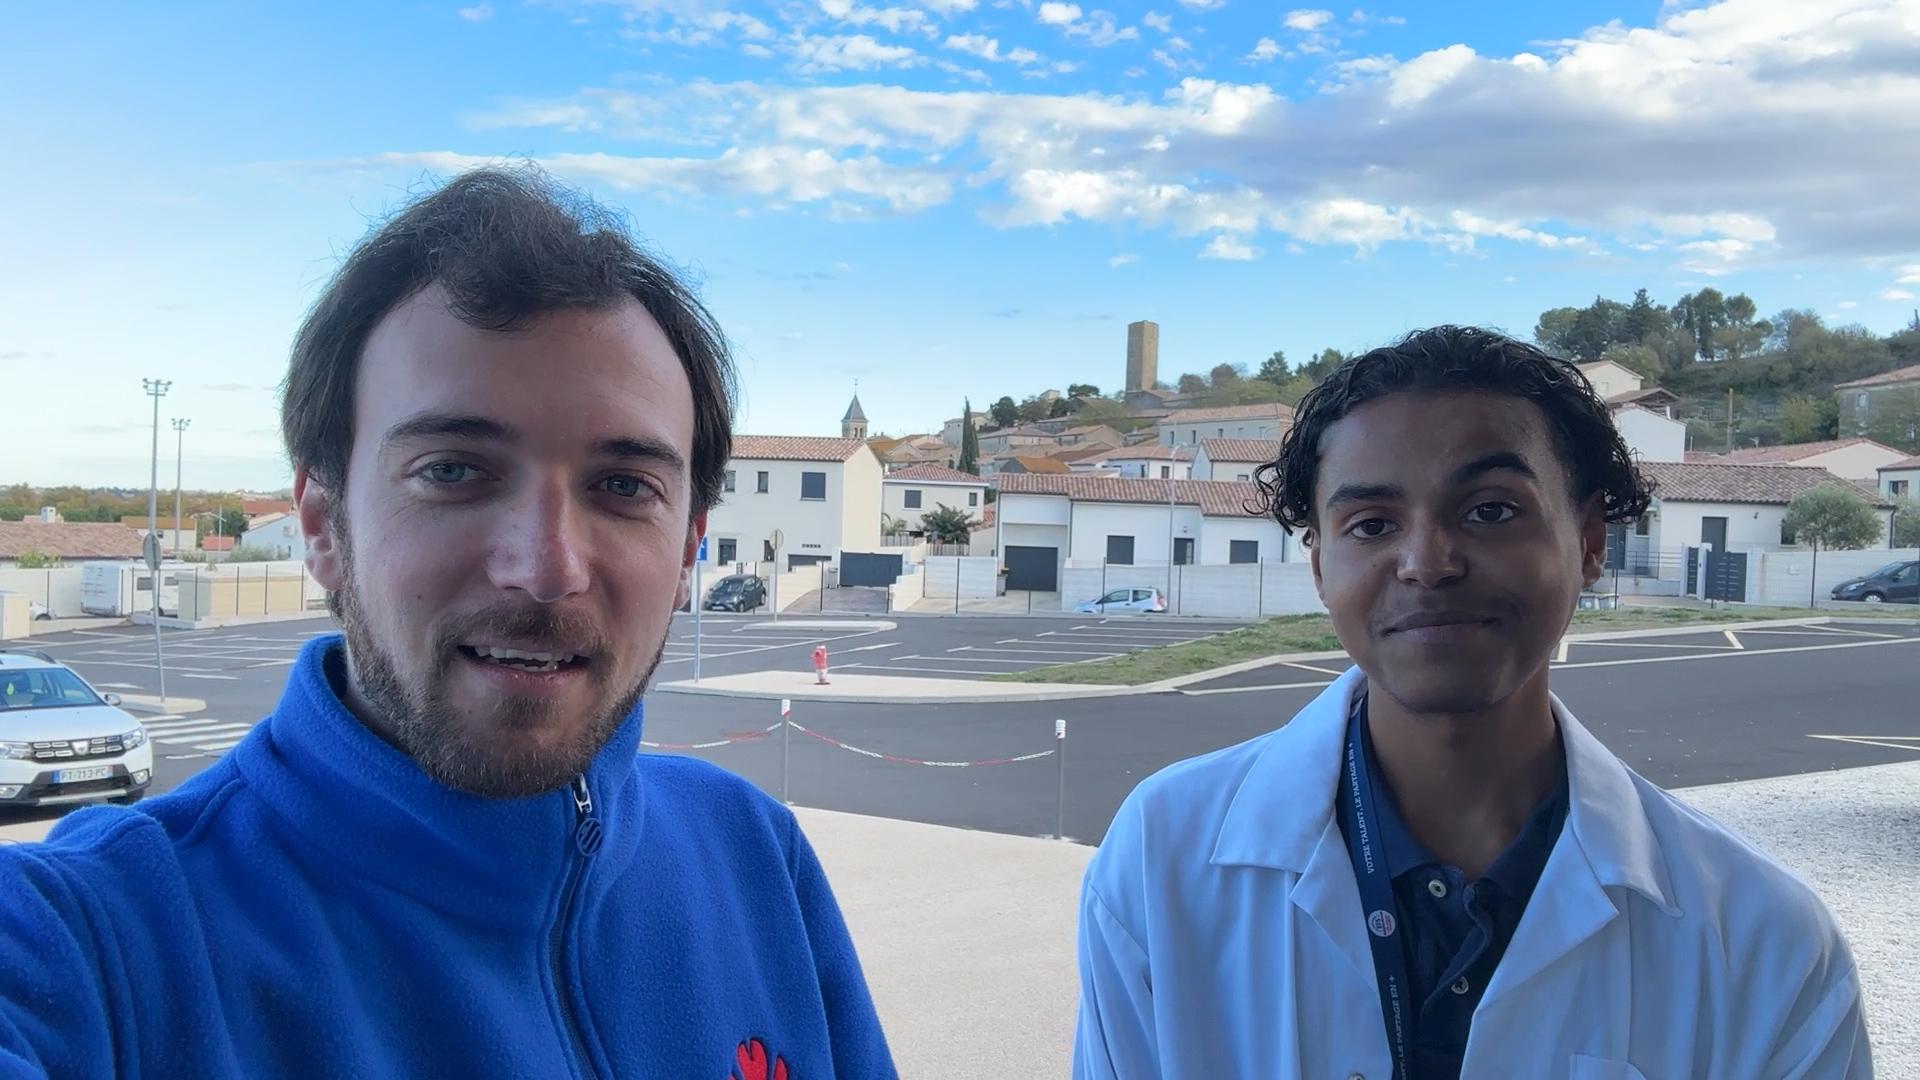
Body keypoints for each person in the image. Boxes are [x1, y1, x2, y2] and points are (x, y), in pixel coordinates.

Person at [0, 167, 896, 1079]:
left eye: (625, 487)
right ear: (323, 525)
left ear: (689, 547)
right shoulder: (99, 944)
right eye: (453, 471)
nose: (547, 568)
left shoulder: (754, 857)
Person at [1073, 326, 1871, 1079]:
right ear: (1319, 567)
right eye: (1372, 522)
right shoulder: (1161, 860)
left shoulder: (1764, 943)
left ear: (1590, 542)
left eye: (1490, 509)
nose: (1426, 562)